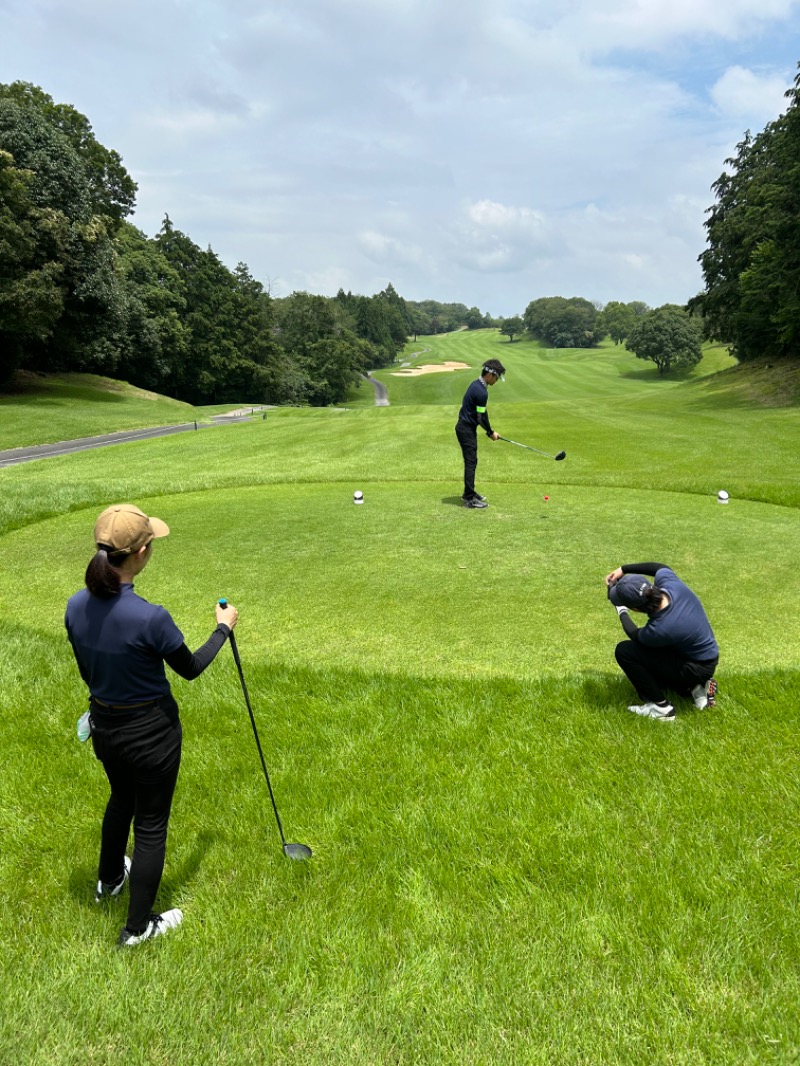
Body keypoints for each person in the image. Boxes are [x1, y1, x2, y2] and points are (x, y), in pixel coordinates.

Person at [65, 504, 239, 947]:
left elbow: (89, 670)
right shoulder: (150, 617)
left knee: (120, 797)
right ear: (141, 552)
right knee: (151, 825)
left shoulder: (75, 605)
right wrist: (223, 628)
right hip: (151, 736)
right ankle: (139, 927)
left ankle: (108, 881)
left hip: (105, 728)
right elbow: (192, 668)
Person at [605, 562, 718, 722]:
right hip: (705, 658)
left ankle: (661, 708)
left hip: (694, 668)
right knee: (659, 652)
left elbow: (635, 635)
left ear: (636, 609)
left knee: (625, 651)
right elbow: (659, 567)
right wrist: (624, 569)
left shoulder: (660, 628)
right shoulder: (671, 585)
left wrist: (621, 610)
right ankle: (696, 689)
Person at [455, 358, 506, 509]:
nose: (496, 381)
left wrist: (490, 430)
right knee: (471, 462)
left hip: (465, 428)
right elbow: (480, 417)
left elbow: (482, 414)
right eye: (497, 377)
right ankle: (469, 499)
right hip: (465, 429)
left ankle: (468, 492)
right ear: (490, 375)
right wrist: (490, 432)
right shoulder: (481, 392)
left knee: (472, 461)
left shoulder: (476, 385)